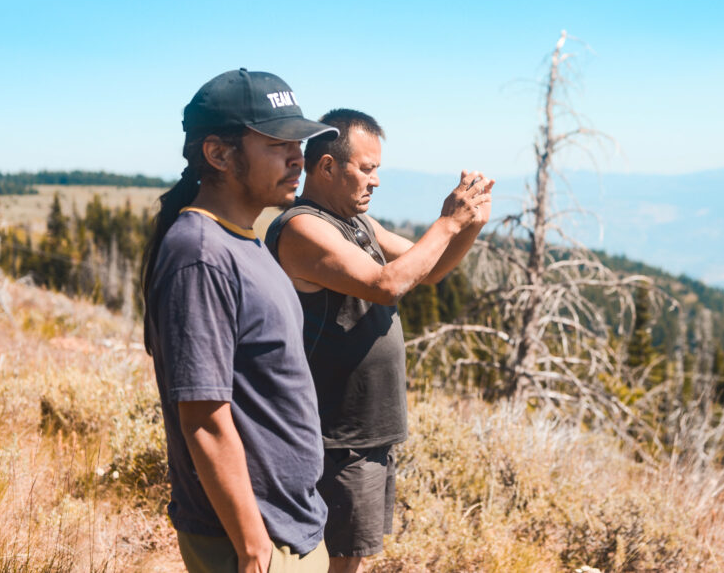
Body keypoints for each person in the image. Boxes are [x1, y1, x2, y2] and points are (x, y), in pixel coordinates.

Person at [264, 108, 493, 572]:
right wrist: (447, 221)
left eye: (378, 170)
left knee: (352, 556)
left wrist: (472, 223)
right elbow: (386, 284)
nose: (376, 181)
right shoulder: (302, 228)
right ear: (327, 166)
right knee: (340, 561)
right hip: (335, 433)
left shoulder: (357, 223)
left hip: (364, 427)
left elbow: (428, 272)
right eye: (366, 168)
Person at [141, 68, 338, 573]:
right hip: (253, 540)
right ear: (219, 154)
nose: (300, 156)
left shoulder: (242, 239)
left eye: (300, 141)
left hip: (288, 525)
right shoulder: (200, 253)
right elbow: (203, 418)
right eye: (278, 143)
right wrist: (253, 548)